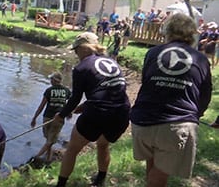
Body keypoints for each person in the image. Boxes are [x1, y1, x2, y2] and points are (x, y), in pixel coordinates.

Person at [131, 14, 212, 187]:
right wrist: (196, 115)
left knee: (153, 170)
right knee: (158, 179)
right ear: (192, 34)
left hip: (142, 121)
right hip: (176, 125)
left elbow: (146, 82)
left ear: (167, 31)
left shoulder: (152, 53)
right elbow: (205, 96)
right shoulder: (201, 59)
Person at [53, 32, 130, 187]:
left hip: (97, 113)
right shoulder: (112, 62)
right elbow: (108, 89)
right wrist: (86, 105)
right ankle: (100, 180)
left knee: (72, 149)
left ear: (84, 48)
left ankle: (61, 184)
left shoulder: (81, 67)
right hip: (122, 111)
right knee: (103, 144)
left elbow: (75, 98)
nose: (75, 53)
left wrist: (61, 115)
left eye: (76, 49)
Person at [29, 73, 70, 162]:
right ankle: (48, 159)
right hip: (59, 119)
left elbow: (42, 105)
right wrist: (68, 113)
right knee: (49, 140)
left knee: (49, 141)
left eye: (51, 79)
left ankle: (36, 157)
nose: (50, 81)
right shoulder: (66, 91)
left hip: (47, 117)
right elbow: (69, 103)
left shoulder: (49, 90)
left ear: (54, 80)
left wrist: (34, 118)